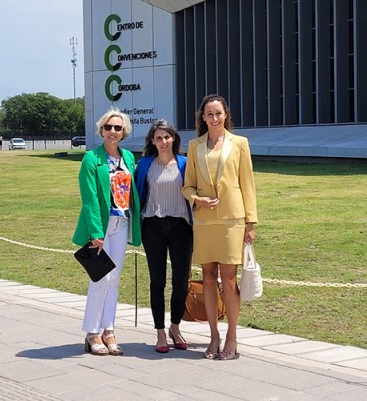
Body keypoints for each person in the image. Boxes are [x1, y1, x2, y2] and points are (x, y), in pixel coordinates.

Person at [182, 94, 258, 361]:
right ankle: (213, 335)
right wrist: (196, 198)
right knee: (209, 278)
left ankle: (232, 336)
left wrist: (251, 222)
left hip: (232, 220)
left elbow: (247, 183)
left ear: (226, 115)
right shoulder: (194, 146)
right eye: (209, 114)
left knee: (228, 279)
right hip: (204, 220)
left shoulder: (240, 143)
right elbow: (187, 185)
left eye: (218, 113)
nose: (214, 118)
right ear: (202, 117)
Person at [72, 108, 141, 356]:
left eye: (118, 128)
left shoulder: (128, 158)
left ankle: (109, 329)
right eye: (108, 127)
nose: (113, 132)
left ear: (124, 132)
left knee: (114, 281)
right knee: (99, 278)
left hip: (121, 224)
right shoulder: (92, 159)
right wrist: (95, 233)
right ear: (101, 130)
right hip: (102, 227)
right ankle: (92, 332)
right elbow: (89, 199)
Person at [135, 120, 193, 354]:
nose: (163, 142)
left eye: (167, 137)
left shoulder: (185, 163)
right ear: (152, 141)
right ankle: (160, 331)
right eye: (158, 138)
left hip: (181, 227)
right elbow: (134, 194)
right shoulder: (145, 165)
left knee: (180, 281)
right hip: (153, 226)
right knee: (157, 281)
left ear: (174, 139)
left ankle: (175, 327)